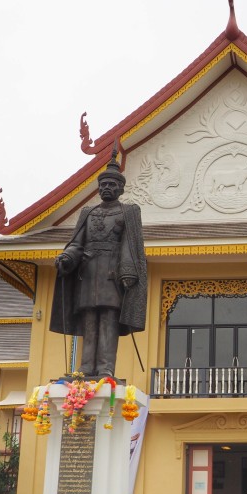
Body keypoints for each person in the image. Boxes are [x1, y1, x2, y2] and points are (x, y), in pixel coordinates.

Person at [49, 146, 147, 378]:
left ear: (121, 189)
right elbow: (76, 243)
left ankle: (105, 367)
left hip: (111, 274)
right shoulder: (89, 213)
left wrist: (129, 270)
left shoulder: (128, 212)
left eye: (112, 185)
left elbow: (130, 245)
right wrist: (66, 257)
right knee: (89, 322)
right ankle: (85, 368)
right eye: (103, 185)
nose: (107, 188)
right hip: (88, 273)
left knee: (108, 321)